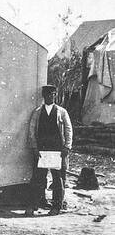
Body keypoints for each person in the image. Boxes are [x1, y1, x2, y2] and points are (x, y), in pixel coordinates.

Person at [26, 85, 73, 216]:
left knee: (58, 179)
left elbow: (68, 130)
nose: (51, 96)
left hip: (57, 151)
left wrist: (67, 147)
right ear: (44, 96)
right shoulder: (37, 112)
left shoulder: (61, 112)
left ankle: (56, 206)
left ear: (55, 95)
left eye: (53, 94)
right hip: (42, 151)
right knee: (38, 178)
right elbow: (31, 130)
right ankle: (33, 205)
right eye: (48, 94)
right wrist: (34, 147)